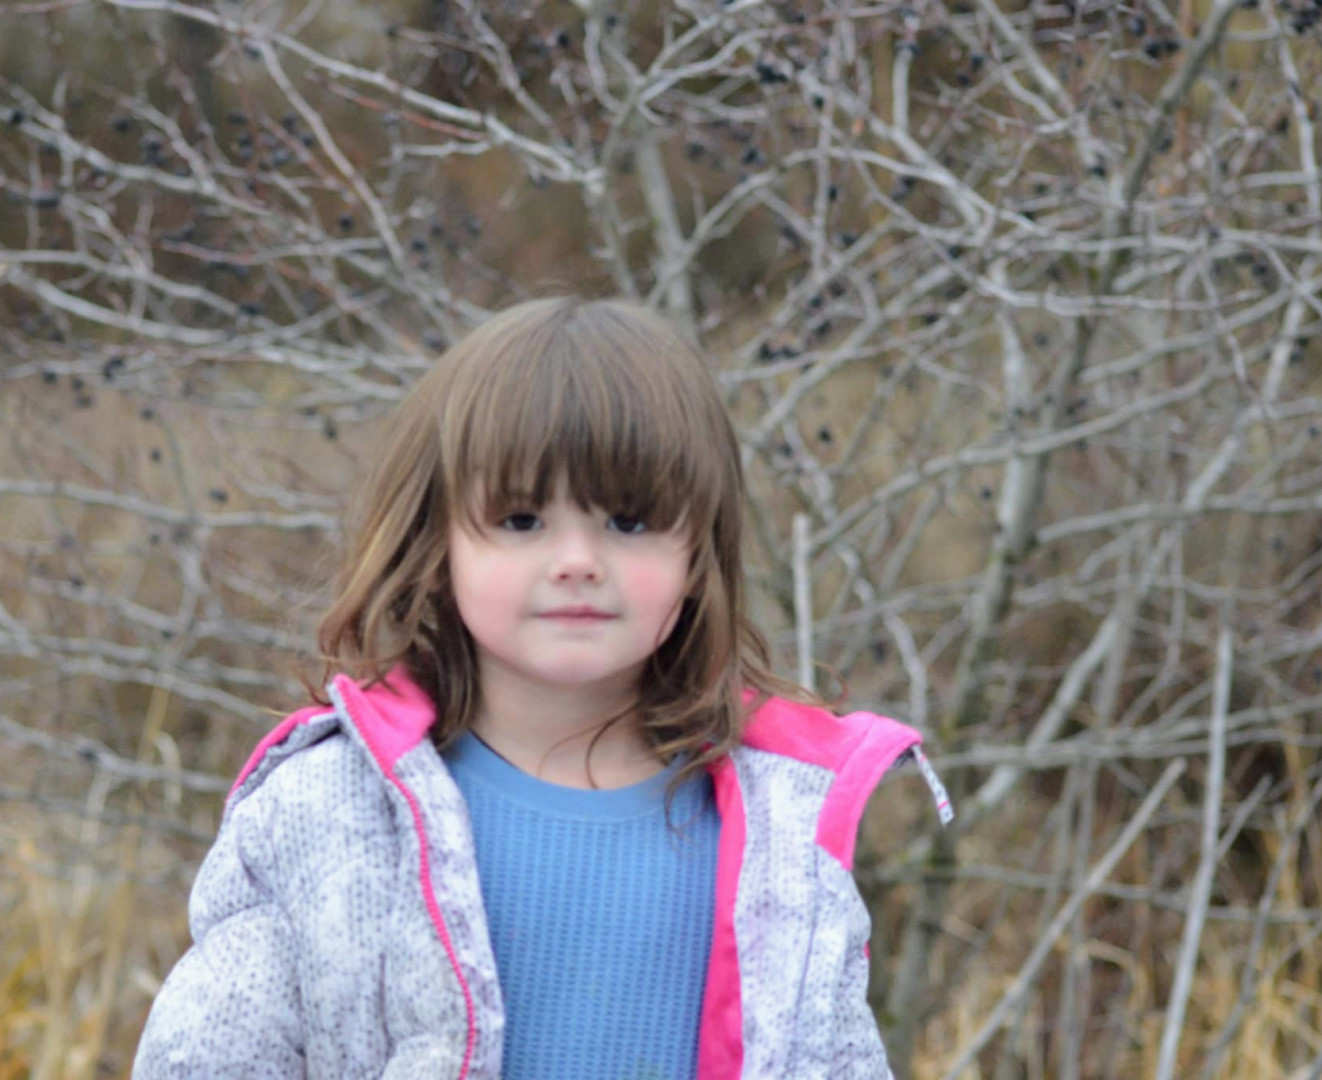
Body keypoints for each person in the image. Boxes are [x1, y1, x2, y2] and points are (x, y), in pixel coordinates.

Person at [130, 295, 954, 1080]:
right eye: (521, 520)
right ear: (436, 543)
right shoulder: (326, 811)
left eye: (628, 522)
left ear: (698, 553)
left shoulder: (784, 831)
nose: (577, 561)